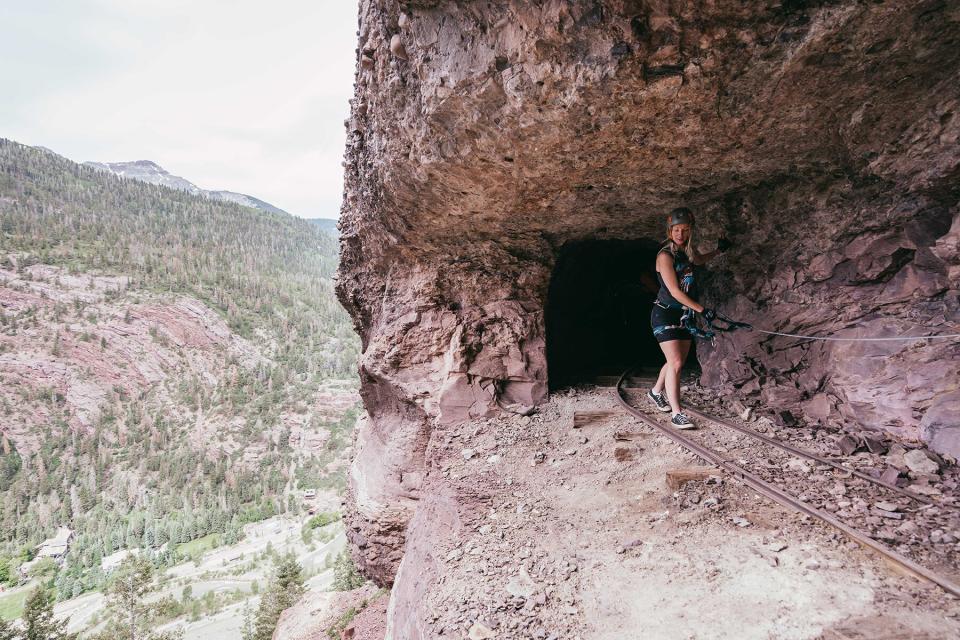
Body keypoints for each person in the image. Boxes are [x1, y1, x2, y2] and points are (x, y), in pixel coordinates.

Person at [646, 207, 729, 428]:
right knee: (676, 362)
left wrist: (718, 252)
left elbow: (698, 260)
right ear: (669, 230)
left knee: (675, 361)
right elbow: (674, 291)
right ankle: (677, 413)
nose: (680, 234)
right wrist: (702, 310)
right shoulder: (665, 255)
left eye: (684, 230)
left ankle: (655, 392)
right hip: (664, 313)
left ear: (690, 231)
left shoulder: (686, 252)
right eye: (676, 230)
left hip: (682, 315)